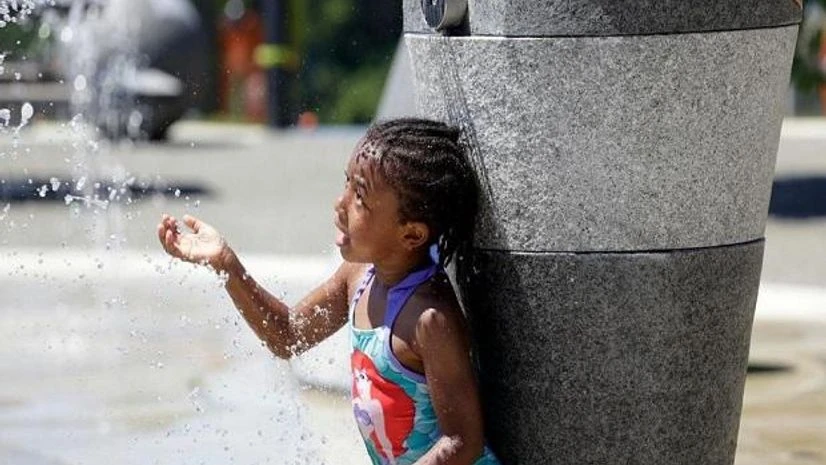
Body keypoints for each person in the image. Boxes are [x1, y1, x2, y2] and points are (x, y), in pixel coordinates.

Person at [157, 118, 502, 465]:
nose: (340, 203)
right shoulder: (360, 276)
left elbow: (461, 442)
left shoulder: (429, 319)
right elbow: (287, 334)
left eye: (360, 197)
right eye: (347, 183)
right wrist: (226, 265)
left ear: (411, 235)